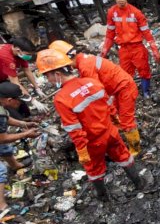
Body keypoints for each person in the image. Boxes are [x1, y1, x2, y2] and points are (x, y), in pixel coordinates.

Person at [36, 49, 145, 200]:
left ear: (57, 74)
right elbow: (109, 104)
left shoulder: (61, 98)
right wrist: (114, 120)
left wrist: (81, 150)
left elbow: (74, 129)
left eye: (47, 76)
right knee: (123, 155)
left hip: (92, 141)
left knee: (94, 169)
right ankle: (140, 184)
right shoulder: (92, 82)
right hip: (110, 131)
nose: (48, 80)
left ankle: (103, 198)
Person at [49, 40, 142, 156]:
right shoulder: (84, 60)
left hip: (124, 88)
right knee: (118, 119)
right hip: (118, 88)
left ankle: (135, 150)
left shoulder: (85, 66)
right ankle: (120, 140)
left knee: (126, 121)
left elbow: (96, 93)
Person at [100, 0, 160, 99]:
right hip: (123, 49)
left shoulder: (136, 12)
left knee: (144, 71)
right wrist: (105, 49)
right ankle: (129, 94)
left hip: (137, 47)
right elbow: (110, 33)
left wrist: (154, 49)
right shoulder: (112, 12)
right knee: (125, 74)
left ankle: (146, 92)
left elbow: (146, 33)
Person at [0, 82, 40, 211]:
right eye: (18, 101)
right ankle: (1, 205)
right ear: (9, 100)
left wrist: (24, 124)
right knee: (1, 171)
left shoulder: (2, 105)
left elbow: (6, 117)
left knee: (5, 148)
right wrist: (26, 134)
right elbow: (2, 138)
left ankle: (15, 165)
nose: (20, 104)